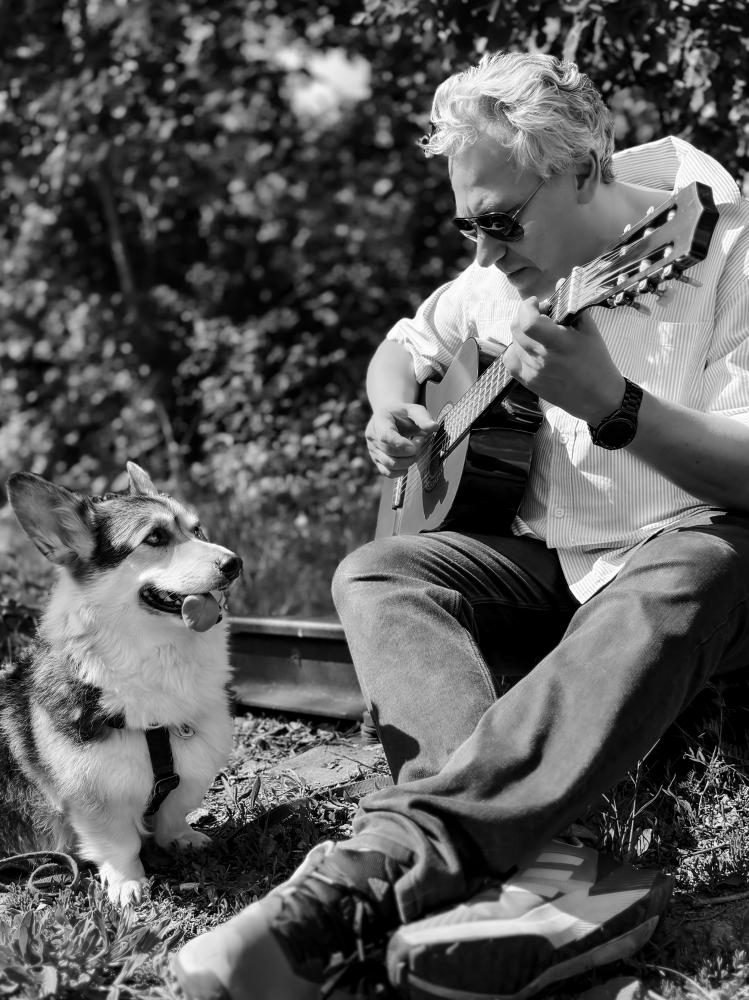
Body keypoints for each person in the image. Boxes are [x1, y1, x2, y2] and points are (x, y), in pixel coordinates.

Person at [175, 50, 749, 1000]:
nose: (482, 253)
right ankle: (543, 864)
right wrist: (389, 409)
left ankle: (396, 863)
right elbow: (403, 345)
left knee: (704, 558)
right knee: (378, 569)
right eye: (466, 225)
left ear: (585, 170)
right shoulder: (501, 273)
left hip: (692, 573)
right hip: (553, 571)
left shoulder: (726, 250)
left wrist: (614, 406)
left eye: (499, 222)